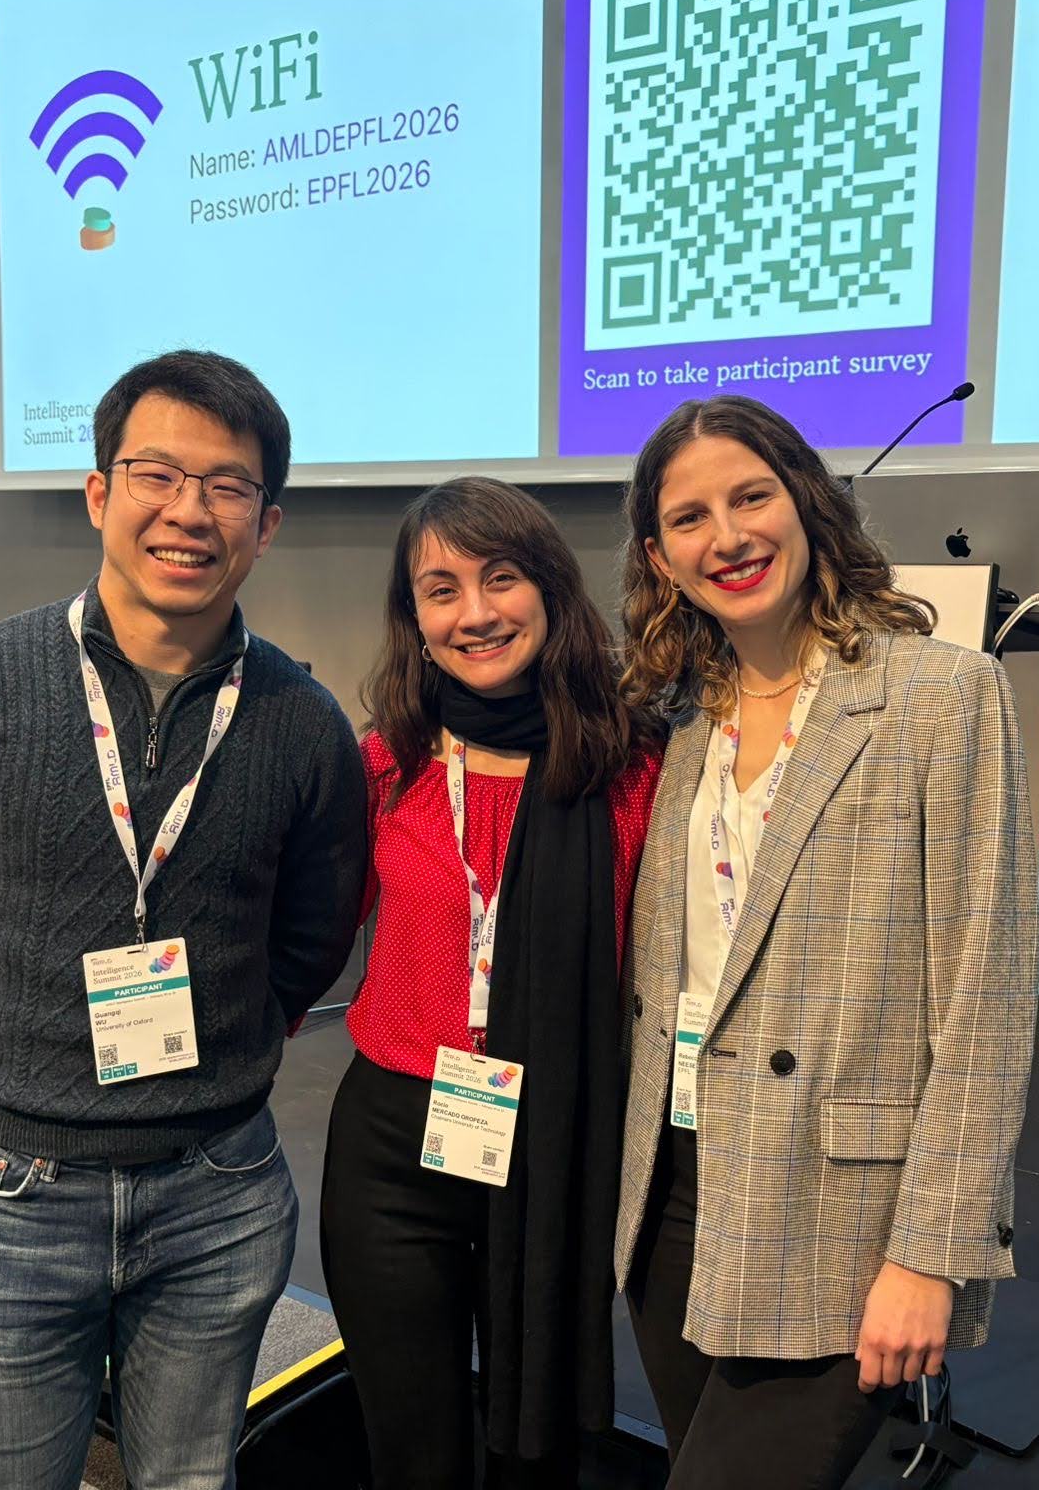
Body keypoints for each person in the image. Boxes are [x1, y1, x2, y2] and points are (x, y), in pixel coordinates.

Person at [0, 350, 368, 1490]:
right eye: (157, 474)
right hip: (13, 1199)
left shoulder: (300, 721)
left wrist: (231, 1043)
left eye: (227, 485)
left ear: (265, 524)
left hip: (218, 1196)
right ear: (99, 494)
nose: (189, 511)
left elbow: (317, 931)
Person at [613, 396, 1039, 1487]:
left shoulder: (940, 695)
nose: (727, 536)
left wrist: (931, 1253)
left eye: (750, 497)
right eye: (689, 518)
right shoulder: (678, 716)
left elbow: (985, 1003)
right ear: (659, 558)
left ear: (806, 502)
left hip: (840, 1207)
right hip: (674, 1188)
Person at [320, 477, 663, 1489]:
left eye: (500, 578)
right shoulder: (388, 764)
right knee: (413, 1458)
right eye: (441, 590)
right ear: (415, 620)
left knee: (535, 1455)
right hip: (391, 1151)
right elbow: (306, 933)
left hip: (552, 1141)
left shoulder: (634, 767)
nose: (474, 613)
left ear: (549, 588)